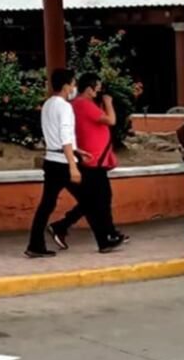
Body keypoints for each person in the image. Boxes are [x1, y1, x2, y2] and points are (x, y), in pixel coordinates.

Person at [47, 73, 127, 252]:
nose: (99, 91)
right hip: (92, 160)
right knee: (94, 200)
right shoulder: (83, 104)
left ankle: (109, 233)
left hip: (91, 158)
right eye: (97, 87)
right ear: (89, 88)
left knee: (100, 198)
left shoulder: (77, 104)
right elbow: (111, 120)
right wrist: (108, 102)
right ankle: (64, 226)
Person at [25, 69, 88, 257]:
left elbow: (54, 135)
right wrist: (73, 165)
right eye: (73, 84)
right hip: (63, 162)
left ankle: (35, 244)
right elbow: (65, 137)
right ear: (66, 86)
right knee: (91, 199)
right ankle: (61, 226)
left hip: (51, 160)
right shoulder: (65, 107)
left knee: (46, 205)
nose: (74, 88)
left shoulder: (48, 104)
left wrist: (76, 150)